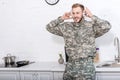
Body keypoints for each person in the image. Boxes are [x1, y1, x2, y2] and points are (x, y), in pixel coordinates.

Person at [46, 3, 111, 80]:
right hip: (70, 67)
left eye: (78, 13)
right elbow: (49, 27)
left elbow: (107, 26)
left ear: (83, 13)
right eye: (73, 13)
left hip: (86, 68)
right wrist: (61, 18)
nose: (75, 15)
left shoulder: (91, 26)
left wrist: (92, 16)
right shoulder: (66, 27)